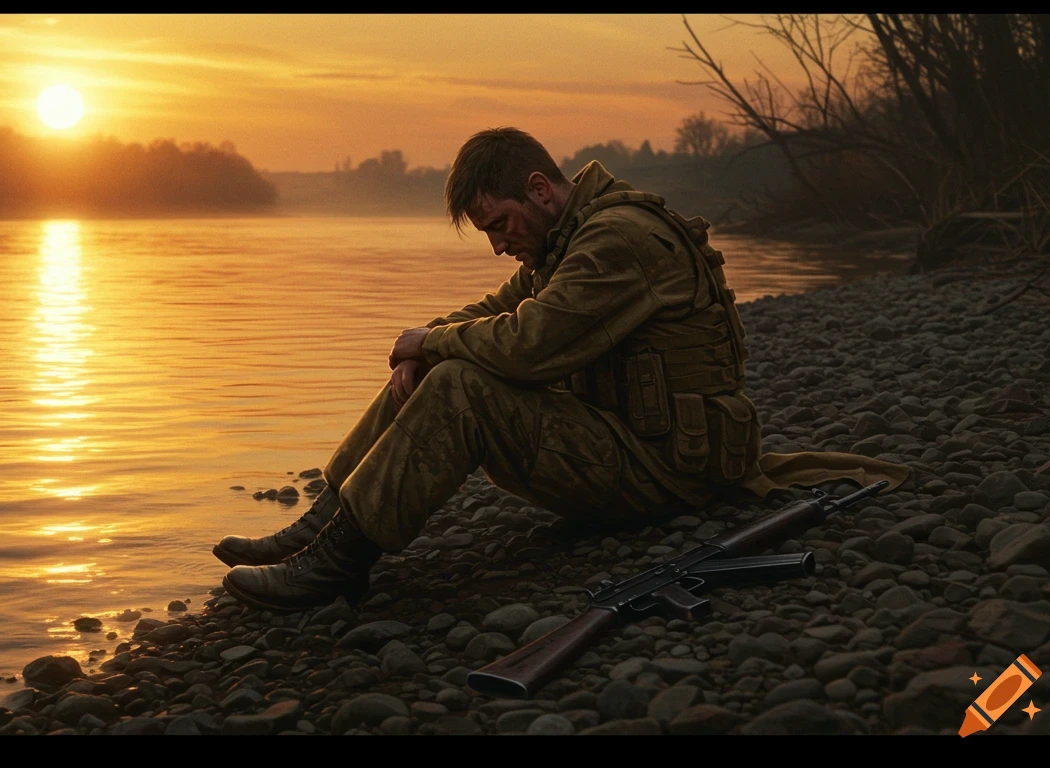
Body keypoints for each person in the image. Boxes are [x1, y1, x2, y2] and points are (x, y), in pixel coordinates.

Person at [213, 127, 909, 612]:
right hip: (634, 445)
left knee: (459, 378)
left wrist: (435, 346)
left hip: (668, 470)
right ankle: (328, 522)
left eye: (499, 226)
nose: (498, 246)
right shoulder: (570, 237)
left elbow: (528, 344)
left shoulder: (616, 242)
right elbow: (499, 308)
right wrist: (425, 342)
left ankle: (339, 564)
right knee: (445, 357)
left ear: (540, 188)